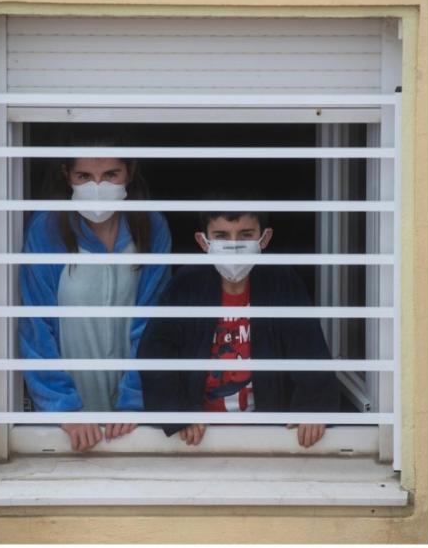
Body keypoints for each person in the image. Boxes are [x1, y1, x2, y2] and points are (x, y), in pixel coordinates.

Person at [138, 206, 339, 448]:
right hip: (197, 437)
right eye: (221, 236)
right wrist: (179, 413)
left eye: (245, 235)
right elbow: (156, 353)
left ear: (264, 238)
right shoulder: (185, 286)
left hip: (268, 437)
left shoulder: (282, 282)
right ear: (204, 242)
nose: (234, 245)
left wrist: (312, 408)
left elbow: (309, 349)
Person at [19, 138, 172, 452]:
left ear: (130, 172)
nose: (98, 186)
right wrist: (64, 409)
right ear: (67, 175)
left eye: (111, 175)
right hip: (69, 426)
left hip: (135, 422)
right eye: (85, 177)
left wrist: (135, 401)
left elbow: (155, 323)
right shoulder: (46, 229)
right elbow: (36, 327)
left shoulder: (151, 227)